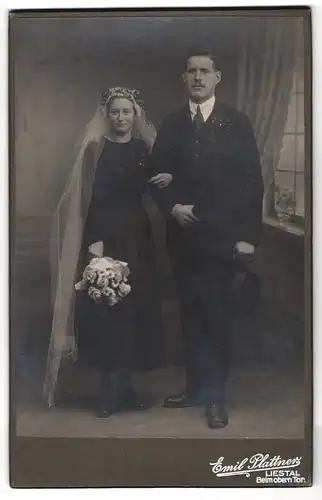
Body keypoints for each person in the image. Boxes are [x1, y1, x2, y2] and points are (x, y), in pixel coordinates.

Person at [150, 52, 263, 429]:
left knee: (216, 318)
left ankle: (216, 398)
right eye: (192, 72)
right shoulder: (171, 124)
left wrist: (248, 237)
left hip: (223, 237)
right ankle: (196, 387)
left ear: (218, 77)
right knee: (191, 317)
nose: (198, 77)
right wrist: (172, 207)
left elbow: (252, 182)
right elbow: (156, 175)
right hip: (183, 238)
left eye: (205, 72)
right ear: (184, 79)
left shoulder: (237, 122)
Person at [43, 87, 172, 417]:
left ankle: (126, 388)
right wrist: (95, 247)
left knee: (133, 312)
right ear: (106, 115)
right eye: (115, 112)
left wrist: (166, 176)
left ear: (135, 115)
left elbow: (154, 182)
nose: (121, 118)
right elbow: (88, 200)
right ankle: (107, 391)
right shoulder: (94, 150)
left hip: (138, 236)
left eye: (126, 112)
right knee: (106, 311)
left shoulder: (143, 148)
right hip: (104, 234)